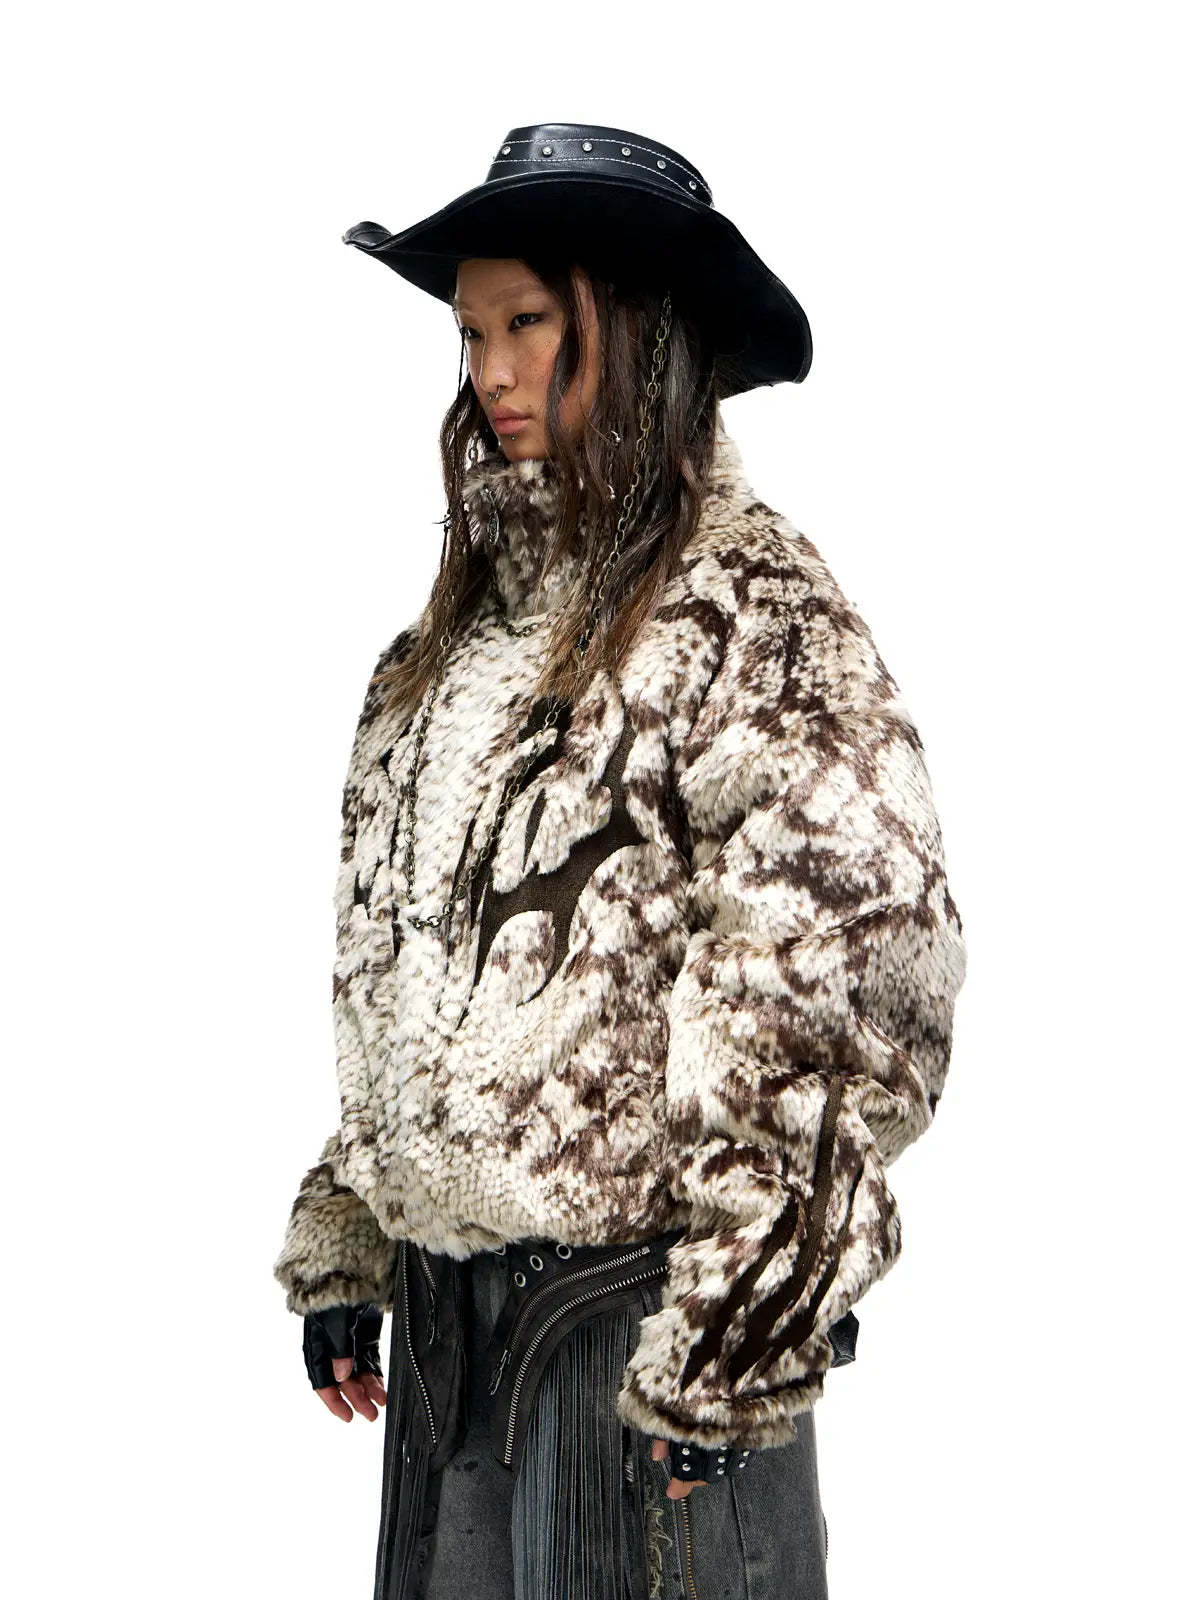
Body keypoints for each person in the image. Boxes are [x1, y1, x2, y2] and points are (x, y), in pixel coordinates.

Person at [273, 121, 967, 1600]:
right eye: (472, 333)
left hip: (646, 1358)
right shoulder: (438, 661)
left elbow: (848, 973)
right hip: (454, 1372)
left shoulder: (751, 615)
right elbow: (409, 978)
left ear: (638, 331)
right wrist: (356, 1225)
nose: (492, 371)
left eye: (530, 322)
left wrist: (739, 1325)